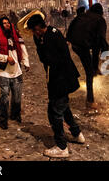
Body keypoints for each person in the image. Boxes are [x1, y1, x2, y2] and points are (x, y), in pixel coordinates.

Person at [27, 14, 85, 159]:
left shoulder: (52, 37)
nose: (34, 34)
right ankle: (77, 134)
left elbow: (50, 60)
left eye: (35, 31)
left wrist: (41, 45)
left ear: (39, 28)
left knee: (54, 112)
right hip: (58, 79)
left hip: (61, 79)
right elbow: (43, 59)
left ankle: (61, 147)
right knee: (64, 108)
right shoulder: (43, 36)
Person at [0, 16, 30, 128]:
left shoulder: (15, 34)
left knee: (17, 96)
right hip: (4, 71)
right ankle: (2, 119)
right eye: (4, 23)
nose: (7, 25)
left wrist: (26, 62)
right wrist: (6, 58)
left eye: (8, 22)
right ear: (1, 25)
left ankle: (15, 115)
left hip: (17, 70)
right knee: (5, 96)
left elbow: (22, 48)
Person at [66, 3, 108, 109]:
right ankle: (90, 101)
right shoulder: (100, 20)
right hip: (83, 45)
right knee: (89, 72)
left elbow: (71, 28)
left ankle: (95, 69)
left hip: (75, 44)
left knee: (91, 63)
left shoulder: (82, 15)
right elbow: (100, 41)